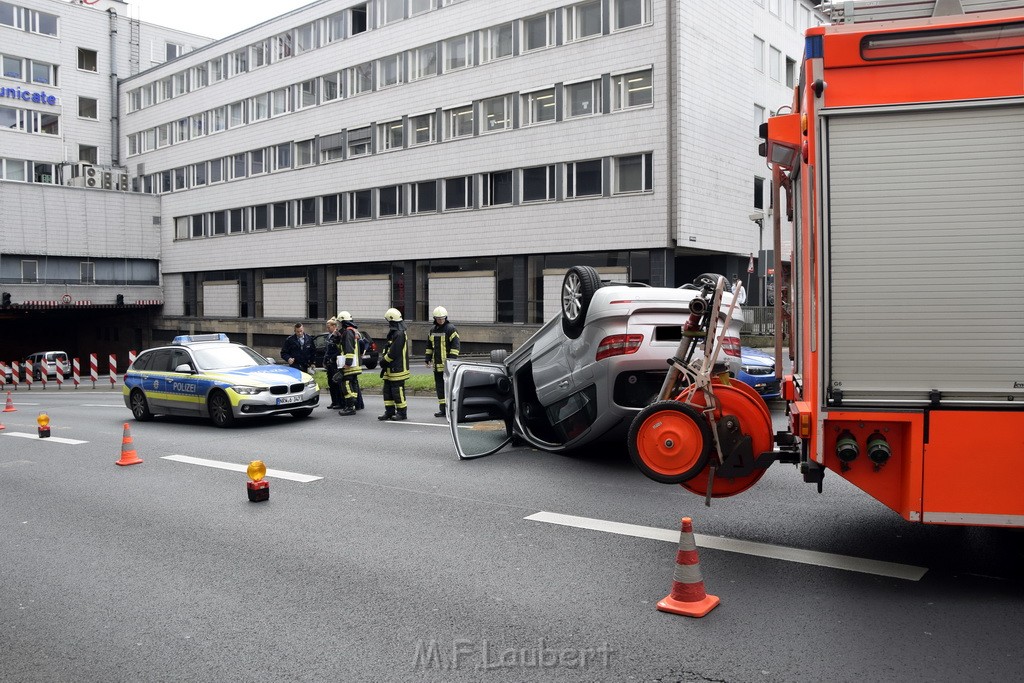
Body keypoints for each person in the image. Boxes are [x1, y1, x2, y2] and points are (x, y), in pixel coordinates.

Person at [424, 306, 460, 417]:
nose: (441, 320)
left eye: (442, 318)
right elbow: (429, 346)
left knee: (449, 388)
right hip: (437, 366)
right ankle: (443, 410)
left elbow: (455, 345)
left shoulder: (450, 328)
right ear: (435, 319)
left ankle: (451, 409)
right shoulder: (432, 330)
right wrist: (427, 358)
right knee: (440, 388)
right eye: (439, 319)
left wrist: (451, 361)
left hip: (448, 366)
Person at [378, 307, 410, 421]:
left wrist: (384, 361)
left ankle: (402, 413)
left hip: (397, 369)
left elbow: (394, 352)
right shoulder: (394, 333)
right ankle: (389, 412)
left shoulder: (399, 334)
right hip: (390, 368)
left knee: (397, 391)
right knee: (387, 391)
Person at [336, 311, 362, 416]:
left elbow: (349, 349)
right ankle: (353, 404)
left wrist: (347, 363)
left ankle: (350, 407)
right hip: (354, 365)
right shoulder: (352, 331)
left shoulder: (347, 332)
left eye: (340, 322)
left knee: (346, 384)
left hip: (349, 366)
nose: (339, 325)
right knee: (353, 384)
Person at [323, 318, 343, 409]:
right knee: (331, 383)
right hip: (329, 363)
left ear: (334, 326)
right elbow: (327, 350)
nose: (328, 329)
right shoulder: (329, 336)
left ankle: (339, 402)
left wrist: (332, 359)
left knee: (336, 383)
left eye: (329, 327)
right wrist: (325, 361)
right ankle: (334, 401)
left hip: (335, 363)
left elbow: (339, 350)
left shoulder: (337, 335)